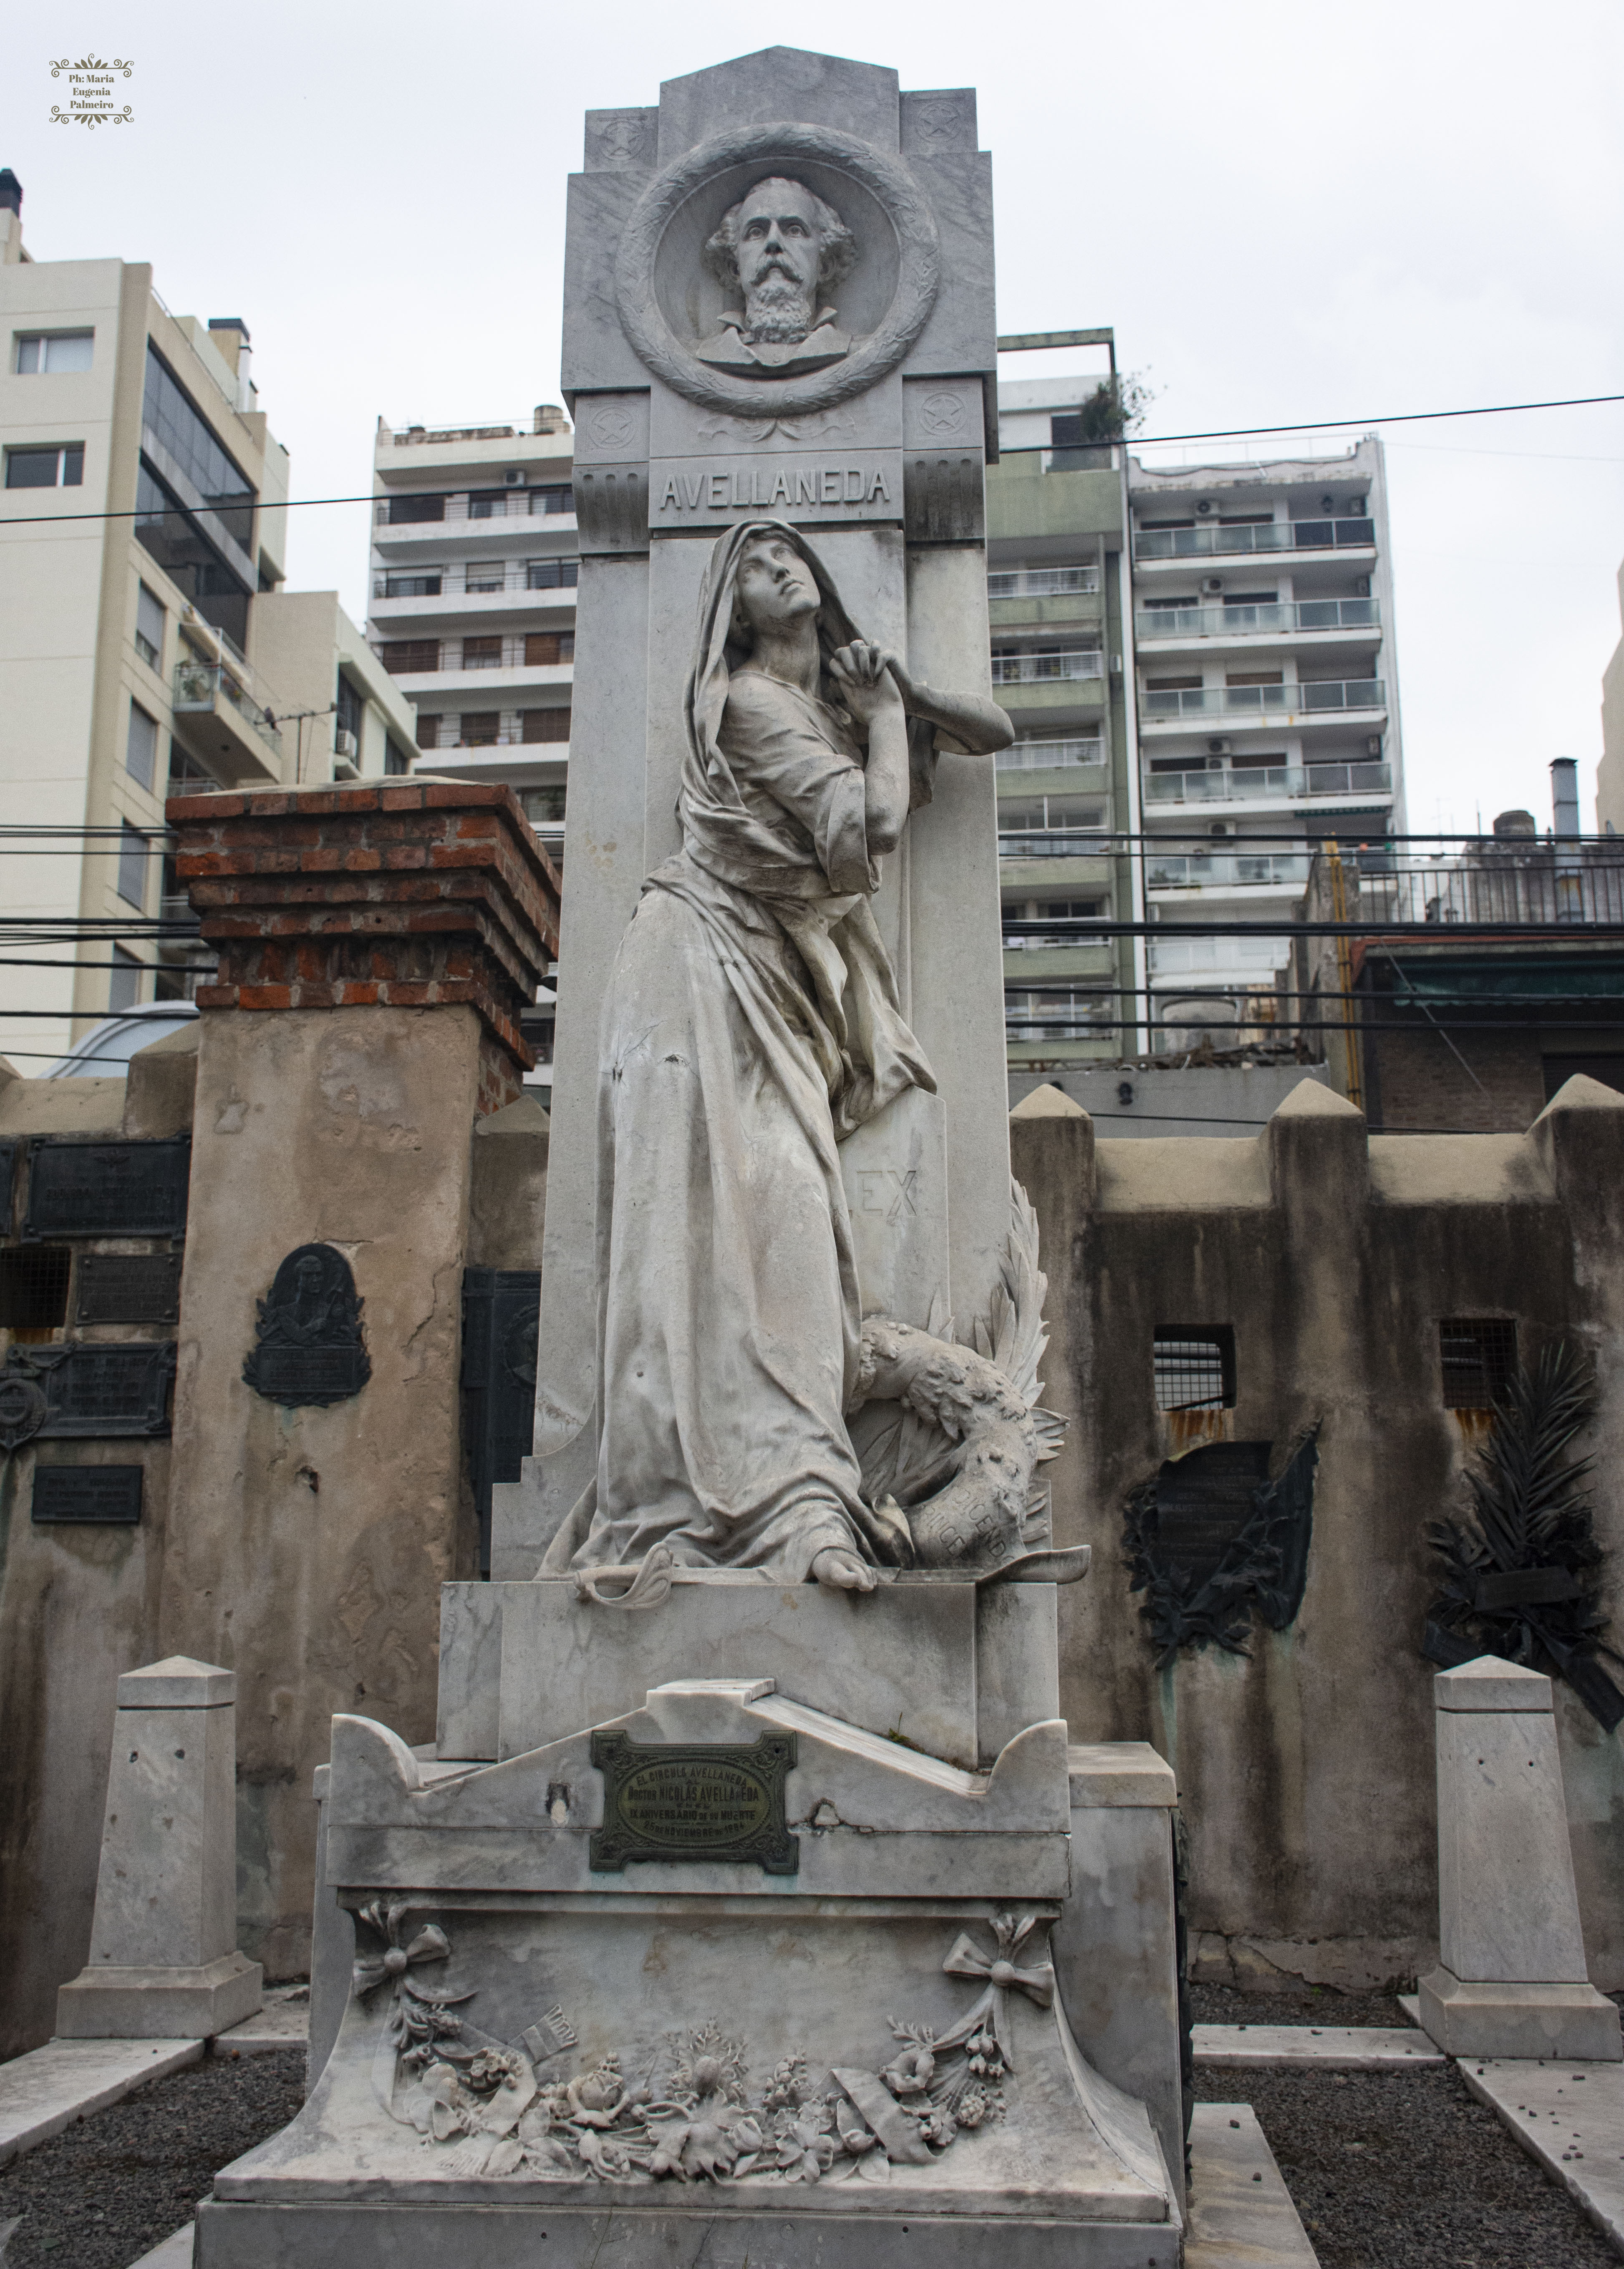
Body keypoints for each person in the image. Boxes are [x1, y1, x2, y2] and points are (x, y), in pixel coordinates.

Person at [554, 520, 1011, 1589]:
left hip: (771, 987)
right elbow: (877, 822)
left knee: (793, 1237)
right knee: (705, 1244)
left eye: (791, 554)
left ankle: (803, 1505)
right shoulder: (757, 707)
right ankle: (733, 1507)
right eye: (755, 565)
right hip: (694, 974)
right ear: (734, 612)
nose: (780, 566)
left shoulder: (817, 707)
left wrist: (897, 687)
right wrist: (888, 717)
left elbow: (991, 726)